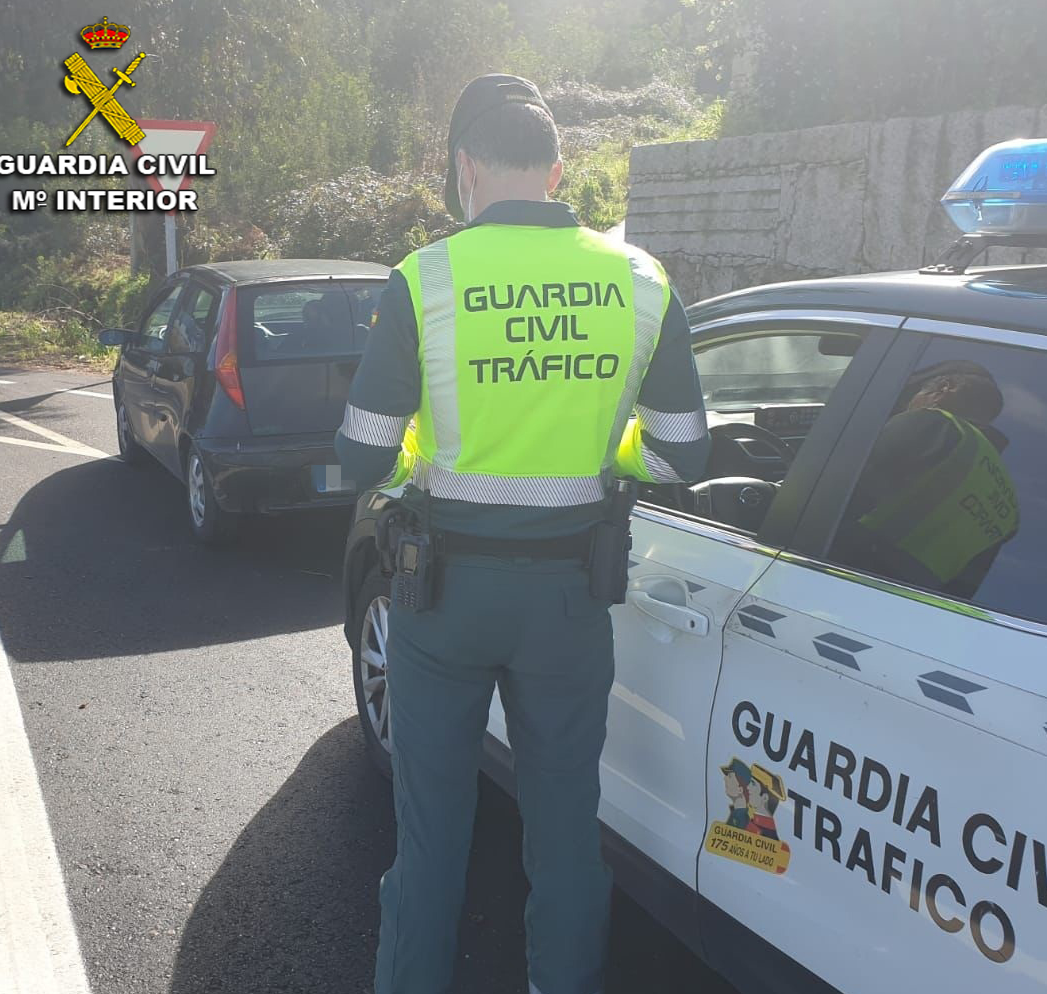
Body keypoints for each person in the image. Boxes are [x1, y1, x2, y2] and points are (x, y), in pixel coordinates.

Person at [334, 73, 710, 994]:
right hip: (571, 602)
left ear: (466, 167)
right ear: (558, 166)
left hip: (443, 597)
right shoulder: (640, 279)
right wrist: (602, 461)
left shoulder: (426, 278)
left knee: (431, 837)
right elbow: (679, 457)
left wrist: (420, 465)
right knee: (566, 835)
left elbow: (360, 459)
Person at [833, 360, 1019, 598]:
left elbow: (833, 492)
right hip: (912, 605)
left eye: (916, 394)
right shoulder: (1009, 506)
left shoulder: (932, 424)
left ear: (943, 388)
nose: (909, 405)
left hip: (841, 571)